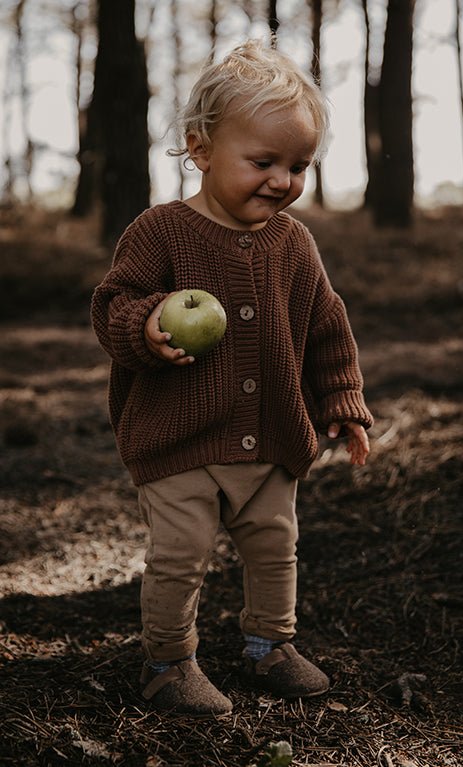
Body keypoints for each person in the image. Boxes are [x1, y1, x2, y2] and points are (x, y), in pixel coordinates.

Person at [91, 38, 373, 718]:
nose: (282, 179)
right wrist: (148, 326)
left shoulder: (294, 243)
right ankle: (168, 662)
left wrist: (343, 401)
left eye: (298, 165)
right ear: (201, 150)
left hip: (272, 433)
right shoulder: (159, 233)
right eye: (263, 161)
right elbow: (113, 306)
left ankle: (268, 645)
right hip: (179, 436)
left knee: (276, 546)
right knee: (180, 555)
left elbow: (327, 327)